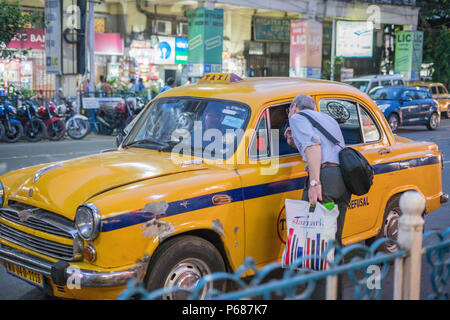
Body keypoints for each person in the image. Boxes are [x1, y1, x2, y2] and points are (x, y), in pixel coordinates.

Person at [284, 93, 351, 299]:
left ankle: (319, 296)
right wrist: (294, 141)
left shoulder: (296, 118)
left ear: (294, 106)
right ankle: (334, 295)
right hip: (342, 182)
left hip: (325, 182)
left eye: (289, 110)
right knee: (333, 241)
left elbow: (313, 147)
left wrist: (314, 183)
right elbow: (321, 145)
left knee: (316, 242)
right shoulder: (327, 119)